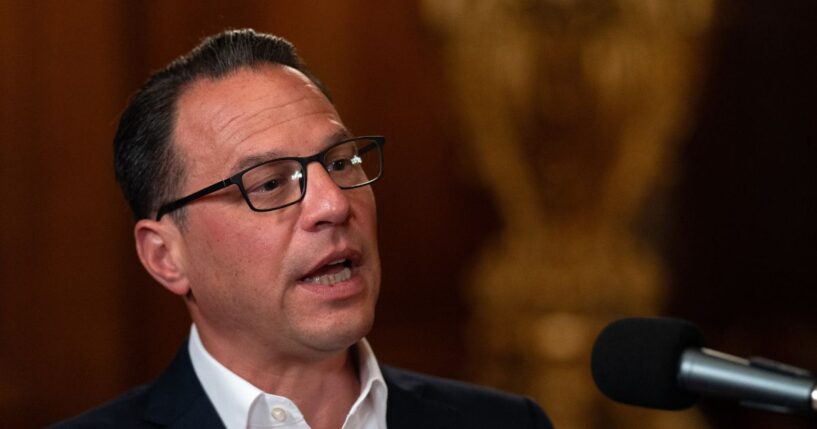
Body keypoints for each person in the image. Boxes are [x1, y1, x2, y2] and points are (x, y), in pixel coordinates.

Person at [51, 29, 553, 429]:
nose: (333, 204)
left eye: (340, 162)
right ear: (166, 256)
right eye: (268, 184)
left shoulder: (508, 422)